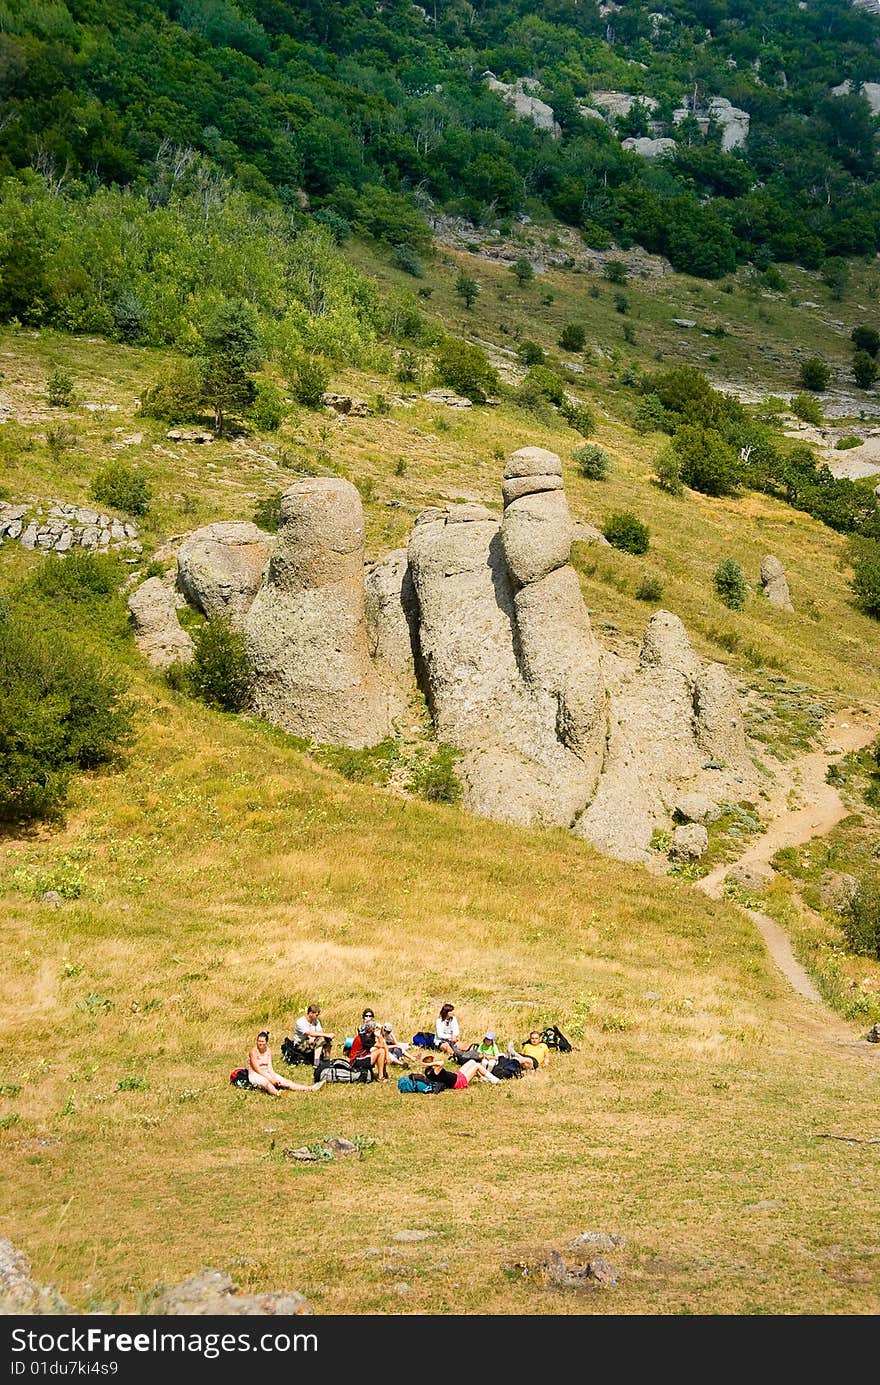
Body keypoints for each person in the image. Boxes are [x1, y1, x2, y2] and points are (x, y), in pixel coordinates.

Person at [247, 1031, 324, 1094]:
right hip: (256, 1074)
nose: (260, 1043)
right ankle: (278, 1094)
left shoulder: (268, 1050)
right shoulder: (253, 1052)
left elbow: (270, 1068)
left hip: (266, 1072)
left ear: (266, 1042)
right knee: (267, 1084)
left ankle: (309, 1088)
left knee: (286, 1082)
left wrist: (273, 1077)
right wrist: (270, 1079)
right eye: (259, 1041)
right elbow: (257, 1069)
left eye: (262, 1041)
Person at [420, 1053, 500, 1089]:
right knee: (477, 1066)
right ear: (431, 1065)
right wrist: (432, 1063)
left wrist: (429, 1065)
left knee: (472, 1061)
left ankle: (484, 1078)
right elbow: (441, 1063)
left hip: (457, 1076)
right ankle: (495, 1080)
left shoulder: (427, 1072)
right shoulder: (435, 1071)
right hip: (459, 1082)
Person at [348, 1011, 388, 1080]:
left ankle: (383, 1074)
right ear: (372, 1029)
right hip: (356, 1061)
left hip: (360, 1058)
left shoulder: (366, 1035)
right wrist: (380, 1036)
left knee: (381, 1051)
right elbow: (381, 1045)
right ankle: (381, 1077)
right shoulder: (365, 1038)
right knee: (381, 1051)